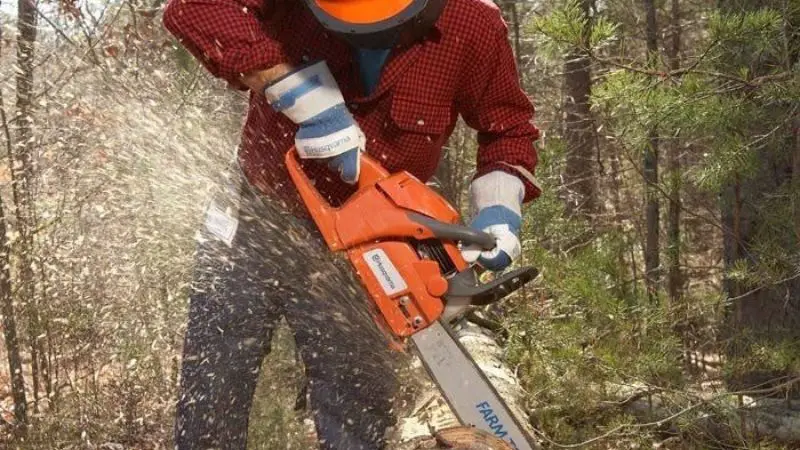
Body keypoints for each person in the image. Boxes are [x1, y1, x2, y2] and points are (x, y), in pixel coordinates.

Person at [162, 0, 541, 448]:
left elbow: (507, 129)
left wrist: (499, 208)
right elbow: (189, 8)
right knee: (214, 386)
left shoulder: (472, 22)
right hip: (254, 217)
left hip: (371, 248)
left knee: (355, 408)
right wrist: (295, 90)